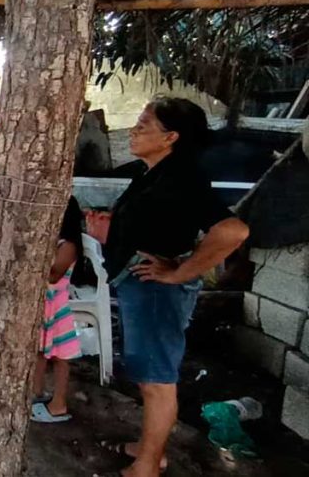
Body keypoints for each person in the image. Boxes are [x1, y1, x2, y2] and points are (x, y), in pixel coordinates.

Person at [103, 98, 248, 477]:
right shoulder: (154, 171)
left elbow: (232, 230)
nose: (133, 130)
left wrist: (181, 271)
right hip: (142, 286)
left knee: (156, 381)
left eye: (143, 124)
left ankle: (148, 466)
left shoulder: (182, 177)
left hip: (156, 292)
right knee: (149, 374)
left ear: (170, 137)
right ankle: (151, 450)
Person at [30, 196, 84, 423]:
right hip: (46, 305)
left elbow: (54, 274)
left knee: (62, 358)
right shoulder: (54, 240)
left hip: (57, 307)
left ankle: (59, 403)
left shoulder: (68, 245)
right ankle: (35, 392)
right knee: (40, 352)